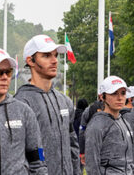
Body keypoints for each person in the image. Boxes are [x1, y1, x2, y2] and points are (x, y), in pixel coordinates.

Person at [14, 35, 81, 175]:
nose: (55, 61)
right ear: (30, 60)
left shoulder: (65, 101)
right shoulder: (20, 103)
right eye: (46, 56)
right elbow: (16, 157)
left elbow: (73, 146)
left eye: (55, 55)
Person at [83, 76, 134, 175]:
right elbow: (91, 164)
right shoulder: (97, 125)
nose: (120, 98)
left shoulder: (125, 122)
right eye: (114, 93)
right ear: (102, 97)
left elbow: (131, 161)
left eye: (123, 93)